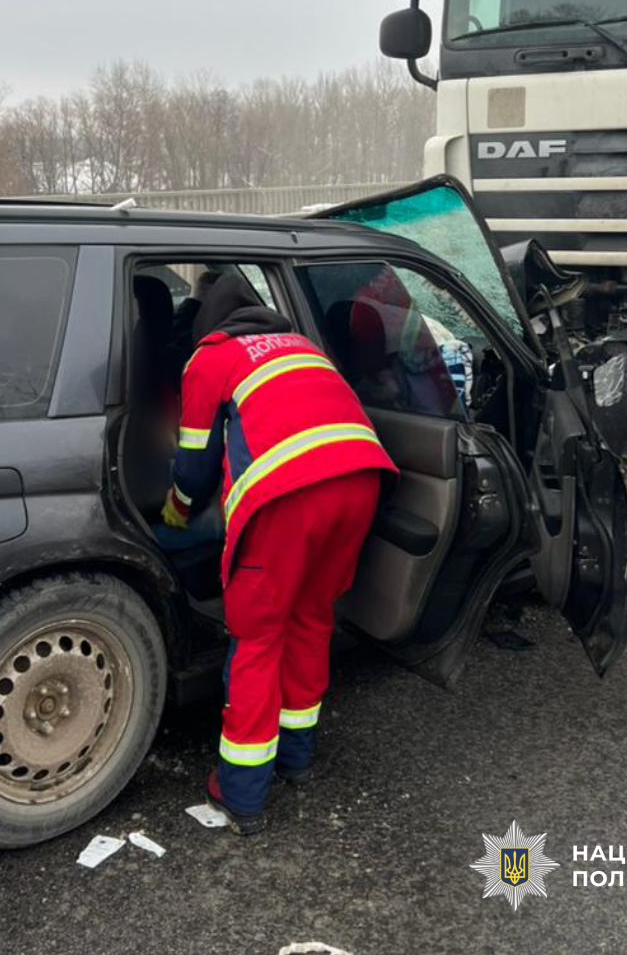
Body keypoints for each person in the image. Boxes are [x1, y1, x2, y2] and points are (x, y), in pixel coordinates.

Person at [161, 274, 396, 834]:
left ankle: (241, 793)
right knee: (312, 618)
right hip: (362, 480)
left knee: (258, 636)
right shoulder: (302, 346)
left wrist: (174, 511)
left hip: (289, 496)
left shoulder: (211, 358)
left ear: (206, 326)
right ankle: (296, 758)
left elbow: (194, 464)